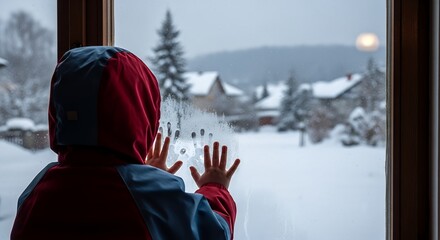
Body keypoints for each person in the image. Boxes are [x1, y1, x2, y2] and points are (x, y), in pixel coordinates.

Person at [10, 46, 240, 240]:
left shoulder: (38, 191)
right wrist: (215, 188)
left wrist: (148, 180)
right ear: (140, 114)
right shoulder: (149, 196)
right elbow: (214, 233)